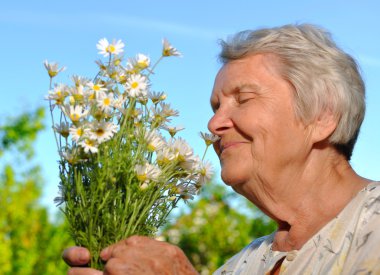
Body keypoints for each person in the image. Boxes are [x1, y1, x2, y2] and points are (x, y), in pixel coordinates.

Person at [63, 24, 380, 274]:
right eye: (215, 106)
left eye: (243, 99)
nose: (214, 124)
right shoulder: (239, 266)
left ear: (322, 116)